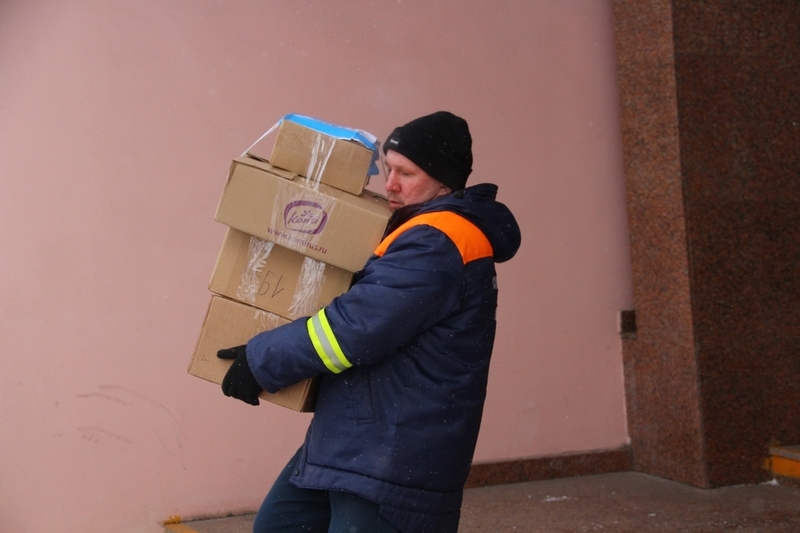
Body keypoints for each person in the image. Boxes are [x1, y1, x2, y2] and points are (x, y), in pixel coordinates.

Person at [217, 111, 521, 533]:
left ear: (443, 180)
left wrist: (262, 360)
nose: (390, 184)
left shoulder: (439, 240)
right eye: (388, 169)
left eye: (406, 173)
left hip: (394, 449)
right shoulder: (419, 229)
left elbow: (356, 328)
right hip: (357, 434)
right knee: (279, 526)